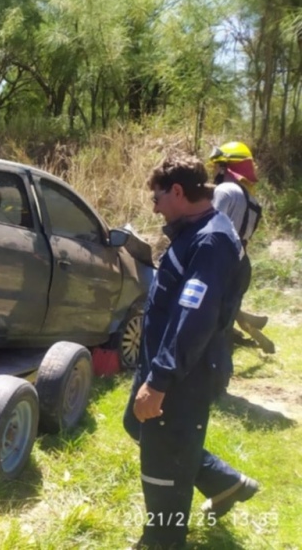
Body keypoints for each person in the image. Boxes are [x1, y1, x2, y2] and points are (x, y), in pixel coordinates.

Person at [124, 152, 258, 548]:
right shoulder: (194, 229)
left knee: (164, 459)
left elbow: (193, 319)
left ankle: (161, 540)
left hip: (185, 373)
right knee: (138, 425)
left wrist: (161, 380)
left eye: (158, 197)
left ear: (178, 191)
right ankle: (224, 482)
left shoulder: (211, 240)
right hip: (164, 364)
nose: (154, 206)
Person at [207, 141, 274, 354]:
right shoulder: (254, 201)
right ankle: (222, 367)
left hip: (219, 260)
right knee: (224, 320)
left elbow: (210, 227)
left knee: (208, 319)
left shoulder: (225, 190)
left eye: (218, 165)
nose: (215, 171)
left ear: (228, 166)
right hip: (241, 265)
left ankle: (210, 370)